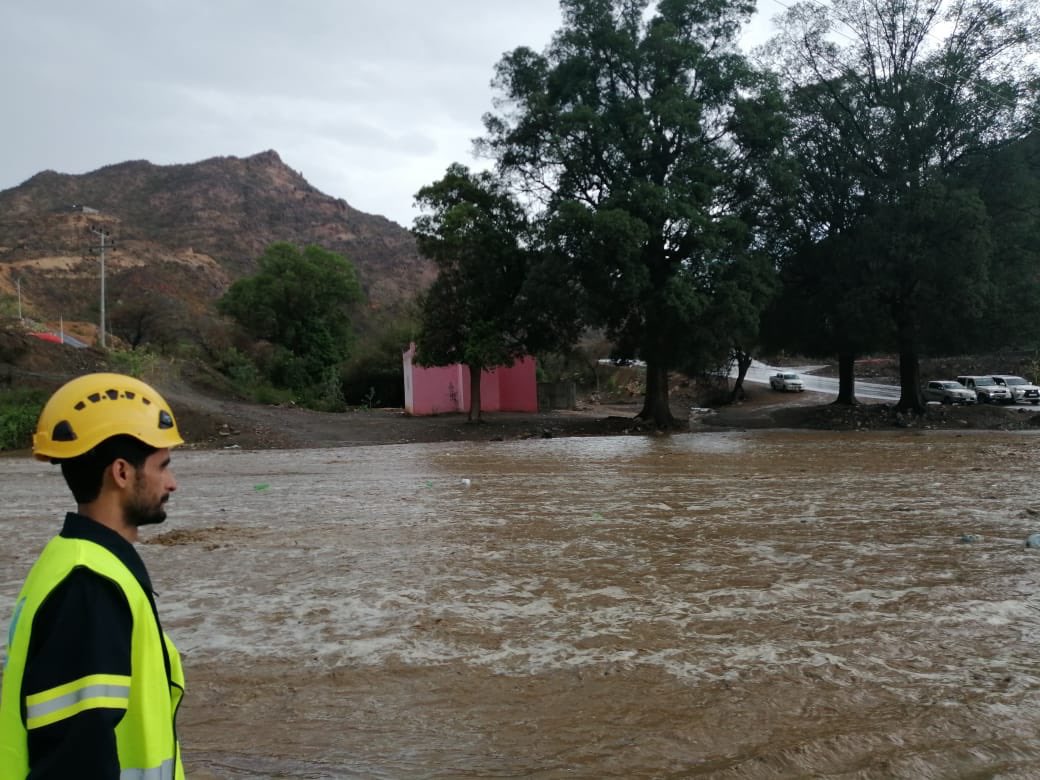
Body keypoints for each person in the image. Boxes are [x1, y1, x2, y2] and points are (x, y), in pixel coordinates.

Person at [0, 373, 187, 779]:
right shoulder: (90, 587)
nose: (173, 482)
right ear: (121, 472)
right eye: (163, 465)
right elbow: (74, 761)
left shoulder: (72, 560)